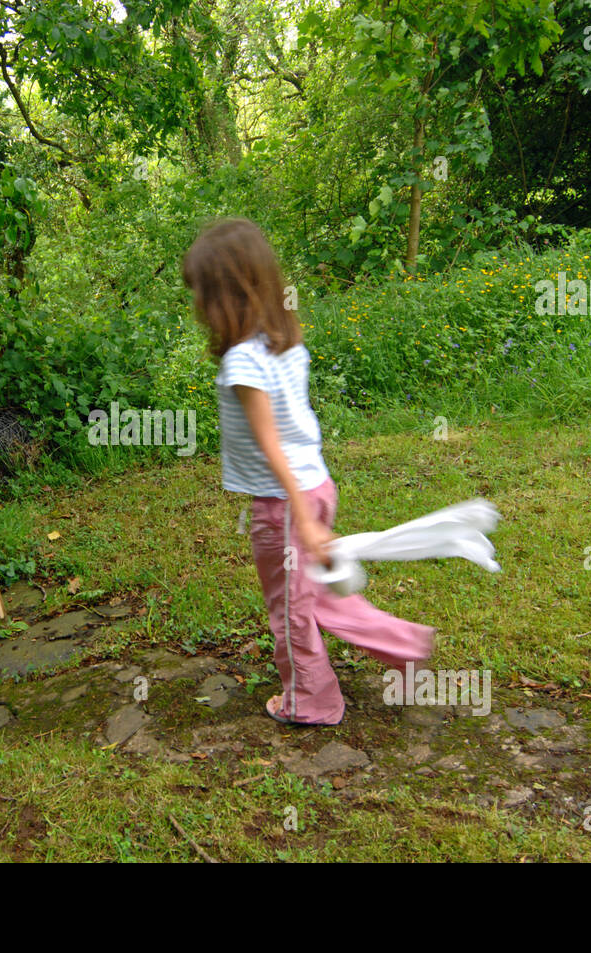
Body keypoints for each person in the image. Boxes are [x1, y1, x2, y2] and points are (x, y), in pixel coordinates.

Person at [182, 218, 435, 725]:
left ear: (227, 295)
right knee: (315, 595)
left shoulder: (243, 362)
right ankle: (402, 644)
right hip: (314, 487)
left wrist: (302, 517)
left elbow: (270, 443)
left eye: (204, 296)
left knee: (290, 610)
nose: (198, 309)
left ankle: (311, 702)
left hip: (285, 503)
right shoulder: (284, 342)